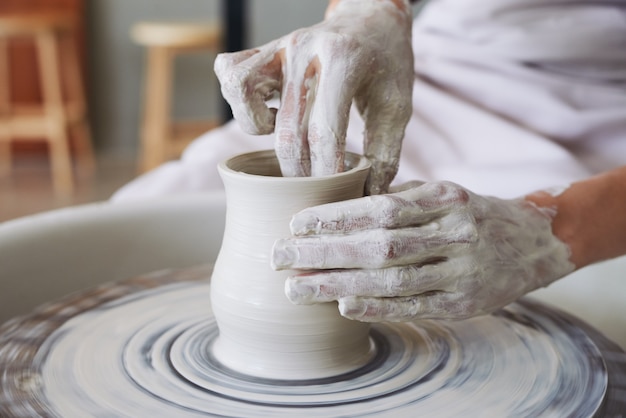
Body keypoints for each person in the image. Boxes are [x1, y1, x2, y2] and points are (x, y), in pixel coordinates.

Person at [114, 0, 626, 322]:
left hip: (602, 106)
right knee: (156, 203)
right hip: (434, 67)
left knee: (594, 306)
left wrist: (548, 237)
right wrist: (372, 12)